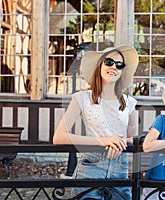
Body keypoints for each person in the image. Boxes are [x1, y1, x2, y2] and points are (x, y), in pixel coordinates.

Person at [53, 46, 139, 199]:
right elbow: (59, 137)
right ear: (99, 65)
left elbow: (133, 140)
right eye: (109, 62)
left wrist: (119, 142)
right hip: (91, 165)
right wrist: (102, 141)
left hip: (120, 166)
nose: (114, 67)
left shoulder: (129, 103)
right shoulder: (82, 98)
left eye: (119, 65)